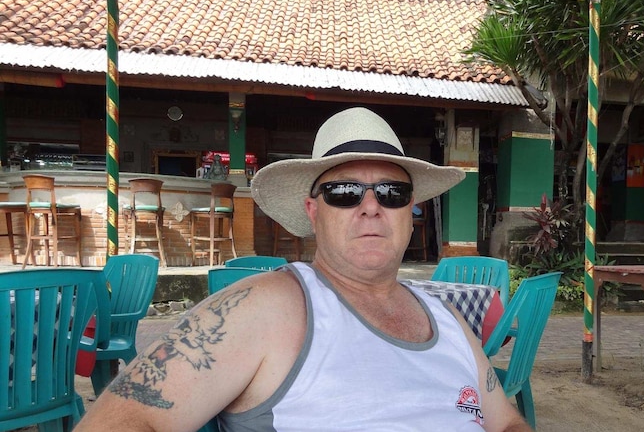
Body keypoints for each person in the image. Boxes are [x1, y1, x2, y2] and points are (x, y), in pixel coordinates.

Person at [75, 107, 532, 431]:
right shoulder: (265, 308)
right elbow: (123, 418)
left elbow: (507, 421)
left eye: (391, 193)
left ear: (410, 211)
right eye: (345, 192)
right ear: (313, 211)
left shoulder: (448, 319)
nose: (371, 207)